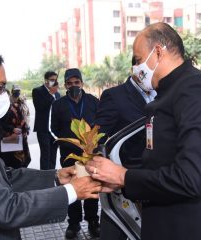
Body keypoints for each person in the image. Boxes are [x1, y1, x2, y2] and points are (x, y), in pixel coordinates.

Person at [86, 23, 201, 240]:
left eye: (138, 60)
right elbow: (161, 161)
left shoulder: (195, 90)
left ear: (158, 51)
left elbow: (190, 178)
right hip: (168, 224)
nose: (136, 69)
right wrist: (120, 179)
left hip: (194, 228)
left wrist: (124, 176)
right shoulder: (168, 92)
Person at [0, 44, 102, 240]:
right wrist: (71, 191)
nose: (3, 95)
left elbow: (2, 178)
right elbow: (5, 208)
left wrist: (56, 177)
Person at [95, 56, 156, 240]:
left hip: (155, 183)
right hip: (123, 187)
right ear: (136, 67)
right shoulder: (114, 96)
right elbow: (97, 140)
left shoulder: (164, 94)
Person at [51, 68, 100, 239]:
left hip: (90, 154)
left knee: (91, 187)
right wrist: (69, 138)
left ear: (82, 83)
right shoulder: (58, 105)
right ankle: (74, 223)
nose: (74, 86)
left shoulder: (93, 102)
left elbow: (100, 125)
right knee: (72, 187)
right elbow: (54, 128)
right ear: (65, 85)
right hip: (69, 155)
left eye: (76, 83)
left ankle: (93, 221)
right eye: (70, 83)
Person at [0, 85, 31, 168]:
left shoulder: (18, 105)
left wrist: (25, 129)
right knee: (7, 164)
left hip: (17, 137)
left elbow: (24, 117)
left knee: (19, 163)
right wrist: (11, 130)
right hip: (5, 139)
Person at [32, 71, 60, 170]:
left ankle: (52, 175)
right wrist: (51, 93)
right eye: (52, 80)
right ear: (46, 80)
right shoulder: (37, 91)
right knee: (45, 154)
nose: (54, 82)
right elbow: (40, 107)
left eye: (55, 80)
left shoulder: (57, 94)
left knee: (53, 155)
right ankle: (44, 178)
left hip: (54, 130)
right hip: (43, 129)